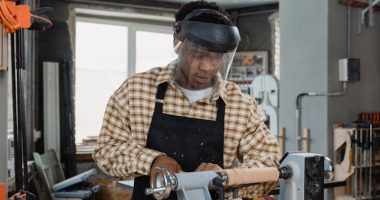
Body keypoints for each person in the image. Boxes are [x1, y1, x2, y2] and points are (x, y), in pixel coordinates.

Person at [93, 1, 280, 199]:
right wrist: (153, 160)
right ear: (177, 43)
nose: (207, 66)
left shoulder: (240, 106)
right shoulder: (135, 91)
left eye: (217, 57)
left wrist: (225, 178)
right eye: (198, 55)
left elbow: (269, 164)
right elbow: (107, 149)